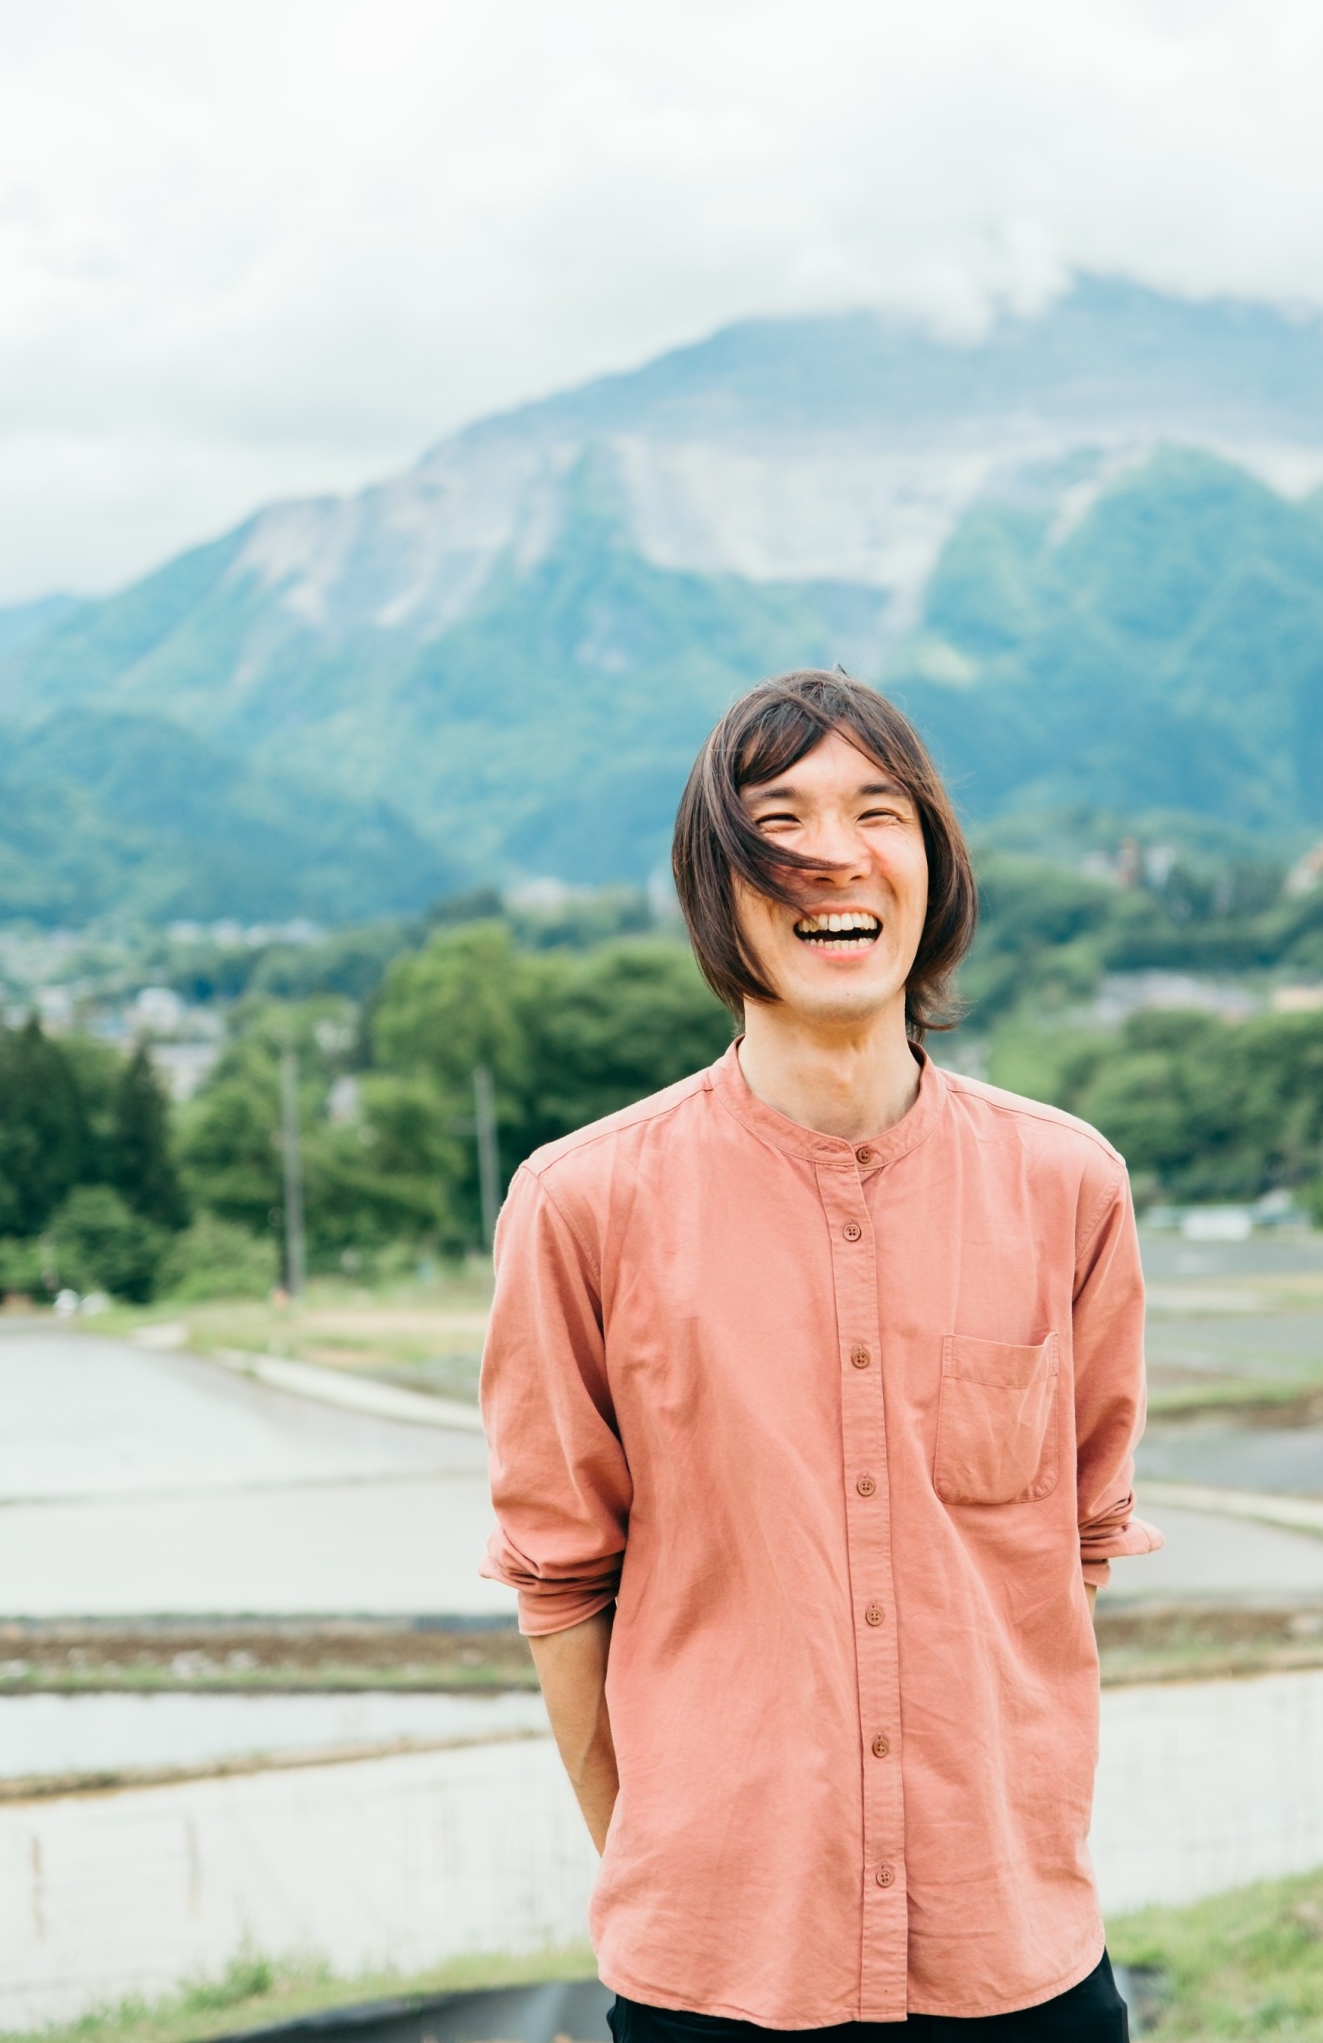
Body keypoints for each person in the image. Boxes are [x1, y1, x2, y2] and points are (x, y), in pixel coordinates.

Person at [481, 670, 1159, 2037]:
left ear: (934, 864)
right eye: (777, 820)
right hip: (716, 1978)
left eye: (879, 811)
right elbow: (560, 1580)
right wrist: (678, 1870)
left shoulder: (1066, 1186)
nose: (833, 855)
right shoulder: (581, 1205)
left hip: (1016, 1964)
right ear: (714, 886)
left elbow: (1076, 1544)